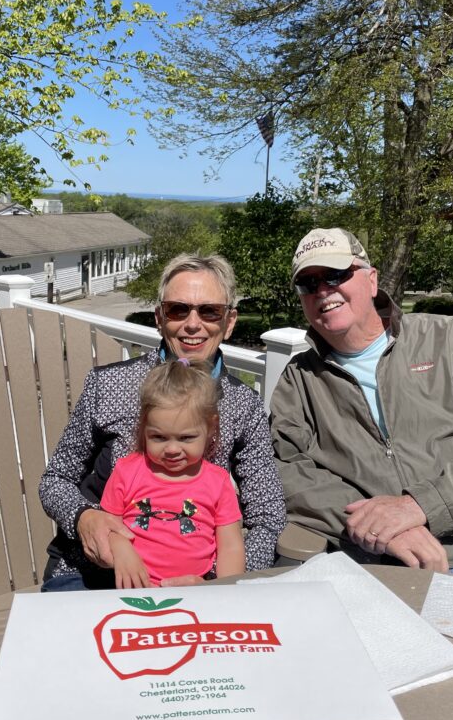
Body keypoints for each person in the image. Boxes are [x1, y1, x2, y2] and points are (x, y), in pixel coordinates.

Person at [270, 227, 453, 591]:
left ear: (371, 280)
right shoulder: (300, 378)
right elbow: (284, 469)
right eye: (308, 283)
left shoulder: (447, 340)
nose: (323, 290)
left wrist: (420, 507)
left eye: (336, 274)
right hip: (367, 563)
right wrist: (379, 527)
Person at [39, 253, 284, 590]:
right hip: (91, 570)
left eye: (209, 311)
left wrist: (214, 580)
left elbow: (267, 516)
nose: (193, 324)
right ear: (159, 317)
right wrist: (83, 517)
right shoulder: (108, 386)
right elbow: (56, 479)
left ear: (229, 322)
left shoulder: (244, 405)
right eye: (178, 310)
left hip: (198, 581)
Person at [101, 358, 245, 588]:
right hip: (132, 589)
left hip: (196, 589)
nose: (172, 449)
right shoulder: (127, 471)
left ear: (210, 428)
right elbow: (107, 525)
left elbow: (231, 546)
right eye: (158, 437)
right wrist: (120, 546)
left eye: (186, 438)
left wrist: (222, 592)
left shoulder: (217, 482)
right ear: (144, 428)